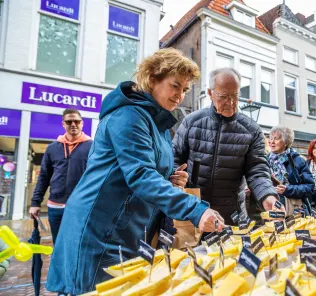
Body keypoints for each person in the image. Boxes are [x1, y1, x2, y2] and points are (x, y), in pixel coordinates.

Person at [46, 48, 223, 295]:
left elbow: (141, 168)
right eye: (175, 86)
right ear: (152, 79)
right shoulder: (128, 115)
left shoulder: (157, 122)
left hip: (125, 227)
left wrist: (169, 177)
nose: (180, 96)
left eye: (184, 90)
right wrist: (194, 209)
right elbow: (140, 175)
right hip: (100, 226)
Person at [173, 67, 282, 223]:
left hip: (231, 217)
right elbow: (175, 157)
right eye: (223, 96)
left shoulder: (252, 130)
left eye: (235, 96)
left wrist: (267, 195)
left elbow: (257, 170)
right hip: (194, 212)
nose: (231, 103)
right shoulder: (191, 122)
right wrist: (175, 177)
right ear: (210, 93)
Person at [29, 109, 92, 244]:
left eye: (76, 121)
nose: (73, 124)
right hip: (55, 206)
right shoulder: (52, 148)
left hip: (80, 205)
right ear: (63, 124)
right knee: (58, 243)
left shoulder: (92, 147)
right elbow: (44, 177)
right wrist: (35, 203)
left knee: (78, 243)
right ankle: (59, 265)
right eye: (69, 122)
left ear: (82, 123)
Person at [267, 126, 314, 215]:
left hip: (294, 210)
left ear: (285, 142)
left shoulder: (298, 161)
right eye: (270, 138)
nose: (271, 142)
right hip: (271, 209)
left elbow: (310, 187)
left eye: (276, 139)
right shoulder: (265, 161)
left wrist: (288, 189)